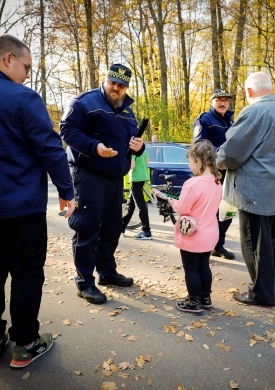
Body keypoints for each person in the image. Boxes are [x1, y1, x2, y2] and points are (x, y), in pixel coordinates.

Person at [0, 34, 75, 368]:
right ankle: (26, 343)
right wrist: (66, 190)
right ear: (7, 60)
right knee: (27, 274)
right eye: (25, 67)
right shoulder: (22, 99)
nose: (27, 75)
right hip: (20, 209)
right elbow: (49, 148)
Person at [60, 63, 144, 305]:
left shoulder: (127, 110)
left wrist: (139, 147)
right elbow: (67, 131)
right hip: (88, 174)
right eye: (112, 83)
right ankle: (84, 281)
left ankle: (107, 272)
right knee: (87, 228)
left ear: (127, 87)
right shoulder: (84, 102)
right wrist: (94, 147)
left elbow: (131, 139)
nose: (115, 89)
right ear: (105, 80)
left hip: (115, 177)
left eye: (121, 85)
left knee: (111, 228)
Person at [216, 71, 275, 307]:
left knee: (254, 243)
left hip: (255, 191)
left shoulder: (255, 112)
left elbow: (232, 152)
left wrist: (217, 163)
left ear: (249, 92)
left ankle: (261, 294)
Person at [169, 140, 222, 314]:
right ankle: (206, 298)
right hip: (210, 232)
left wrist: (172, 202)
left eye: (190, 161)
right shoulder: (217, 182)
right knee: (204, 266)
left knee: (191, 268)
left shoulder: (192, 184)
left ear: (199, 161)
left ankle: (194, 301)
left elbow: (183, 208)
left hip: (193, 235)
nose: (189, 165)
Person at [193, 88, 235, 260]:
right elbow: (199, 145)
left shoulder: (231, 121)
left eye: (226, 100)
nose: (223, 102)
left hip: (228, 172)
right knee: (211, 211)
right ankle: (205, 244)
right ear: (212, 102)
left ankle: (218, 245)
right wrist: (222, 152)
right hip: (212, 172)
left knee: (227, 210)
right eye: (219, 100)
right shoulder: (205, 119)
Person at [122, 151, 152, 239]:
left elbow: (131, 166)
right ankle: (121, 227)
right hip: (143, 177)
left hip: (136, 178)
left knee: (140, 204)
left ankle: (146, 231)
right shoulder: (143, 150)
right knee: (130, 204)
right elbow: (148, 160)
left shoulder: (133, 152)